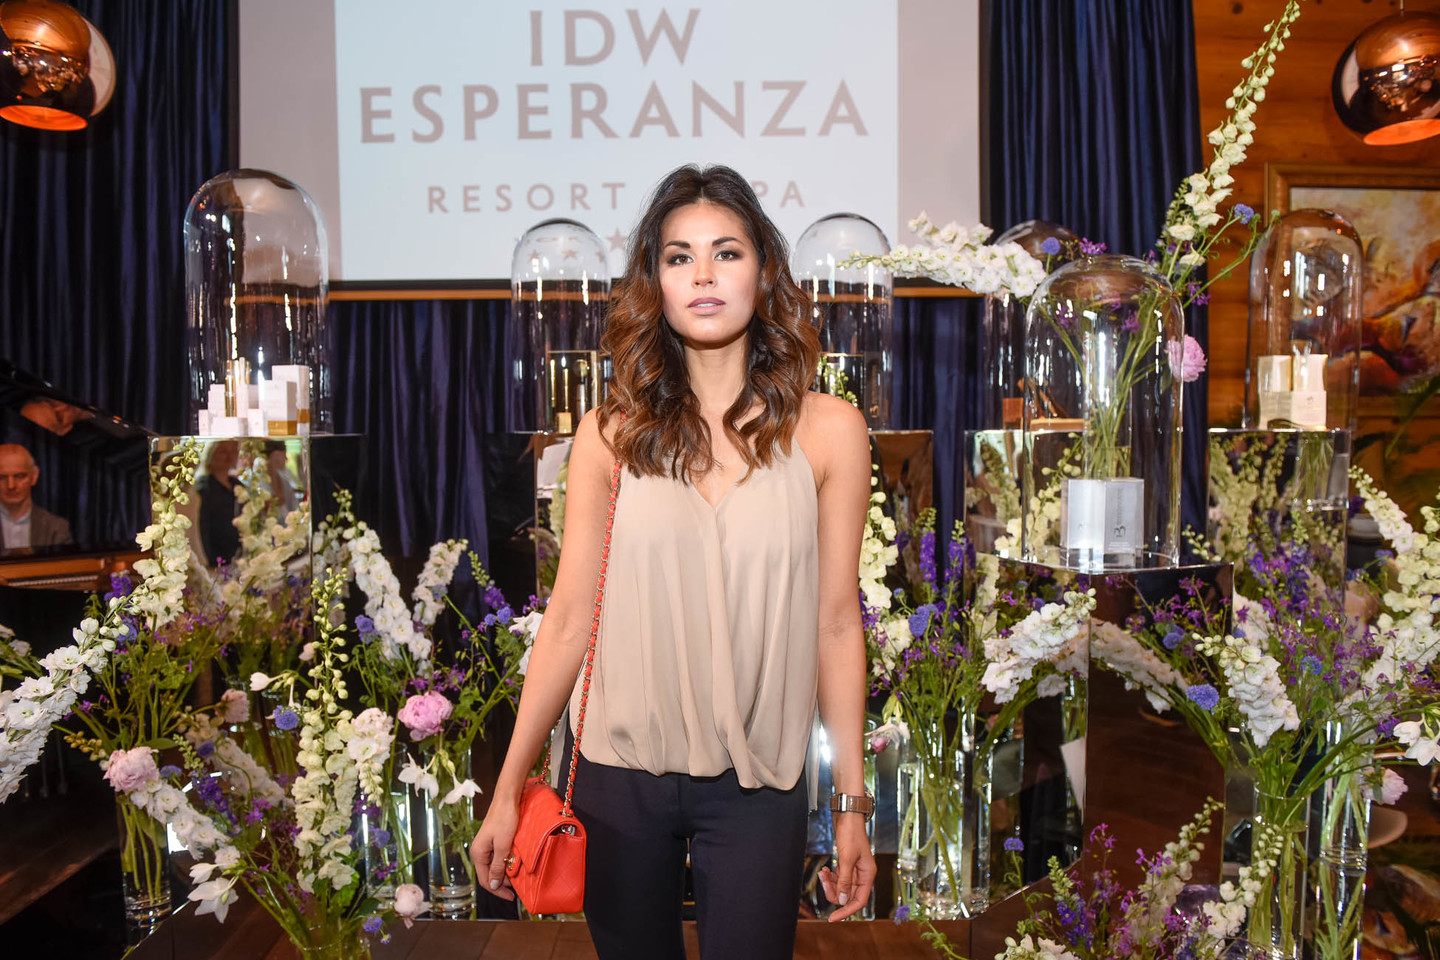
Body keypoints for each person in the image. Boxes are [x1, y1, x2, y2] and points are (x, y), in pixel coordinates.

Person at [470, 165, 876, 958]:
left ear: (763, 272)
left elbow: (836, 624)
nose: (703, 275)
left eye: (727, 252)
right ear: (654, 282)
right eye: (679, 256)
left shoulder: (830, 431)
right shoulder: (610, 435)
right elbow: (567, 622)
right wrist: (509, 788)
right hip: (618, 778)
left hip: (760, 783)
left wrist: (852, 804)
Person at [0, 443, 72, 553]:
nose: (11, 485)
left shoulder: (56, 528)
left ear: (34, 476)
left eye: (19, 476)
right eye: (2, 477)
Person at [195, 439, 240, 567]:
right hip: (217, 559)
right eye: (223, 452)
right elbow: (202, 529)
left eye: (233, 451)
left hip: (238, 556)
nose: (229, 456)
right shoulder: (203, 487)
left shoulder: (238, 485)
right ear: (210, 455)